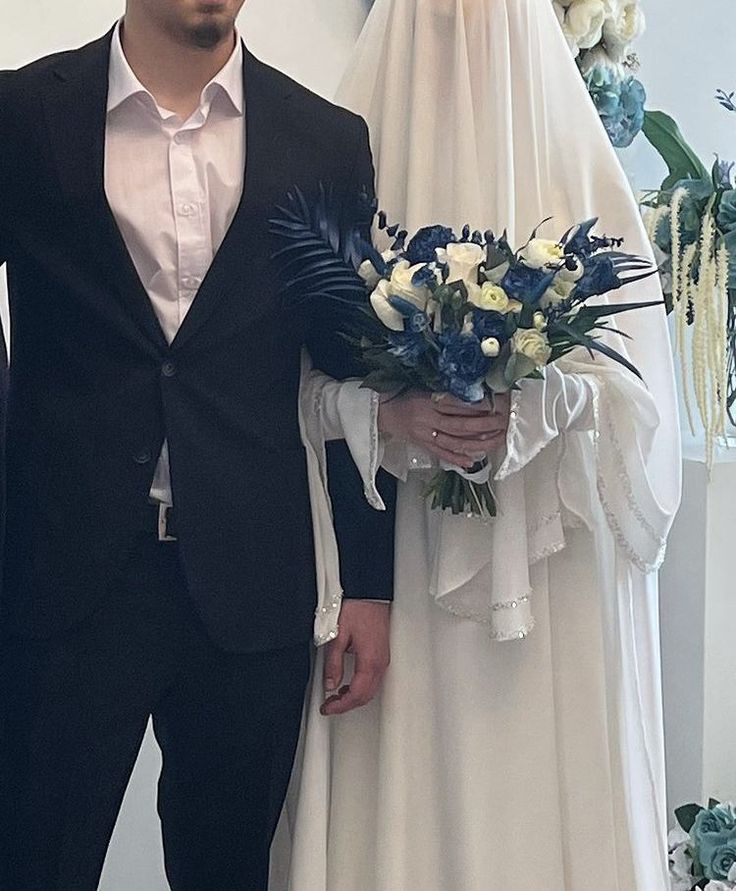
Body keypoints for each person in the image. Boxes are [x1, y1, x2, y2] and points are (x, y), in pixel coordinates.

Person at [0, 0, 466, 885]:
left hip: (251, 585)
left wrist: (367, 586)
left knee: (230, 868)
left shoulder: (323, 140)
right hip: (62, 580)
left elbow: (346, 367)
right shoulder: (25, 116)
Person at [272, 0, 682, 889]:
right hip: (397, 578)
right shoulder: (344, 157)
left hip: (552, 592)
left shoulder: (584, 173)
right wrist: (390, 416)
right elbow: (286, 390)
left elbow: (642, 409)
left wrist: (537, 405)